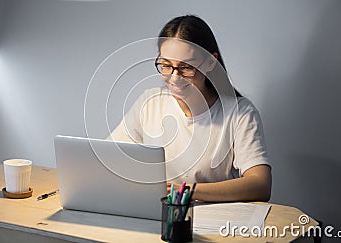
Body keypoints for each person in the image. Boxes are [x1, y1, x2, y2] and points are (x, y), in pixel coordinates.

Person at [109, 15, 271, 202]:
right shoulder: (150, 102)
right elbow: (110, 158)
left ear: (211, 62)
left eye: (186, 67)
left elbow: (261, 185)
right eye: (166, 65)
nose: (175, 78)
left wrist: (185, 191)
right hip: (154, 214)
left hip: (213, 221)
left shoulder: (240, 113)